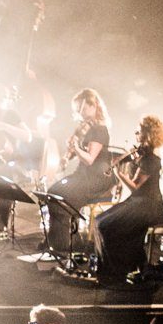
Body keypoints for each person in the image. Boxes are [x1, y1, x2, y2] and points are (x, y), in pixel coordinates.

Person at [91, 115, 163, 284]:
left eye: (139, 131)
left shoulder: (151, 160)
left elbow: (135, 186)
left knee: (106, 226)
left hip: (148, 206)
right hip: (138, 202)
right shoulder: (142, 155)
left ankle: (114, 272)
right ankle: (107, 270)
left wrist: (119, 172)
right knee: (98, 220)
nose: (135, 134)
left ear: (147, 135)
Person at [45, 88, 113, 253]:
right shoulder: (87, 128)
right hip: (82, 175)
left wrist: (75, 147)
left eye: (82, 108)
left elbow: (90, 159)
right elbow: (82, 155)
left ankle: (69, 242)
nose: (79, 113)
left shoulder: (100, 130)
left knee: (63, 198)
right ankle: (56, 240)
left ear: (93, 105)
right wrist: (68, 156)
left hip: (95, 180)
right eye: (77, 110)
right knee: (53, 192)